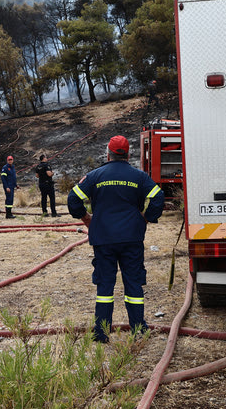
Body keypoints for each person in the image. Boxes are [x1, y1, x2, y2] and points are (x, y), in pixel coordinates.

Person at [67, 135, 165, 343]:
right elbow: (158, 197)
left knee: (105, 286)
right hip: (131, 238)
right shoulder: (139, 176)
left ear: (108, 154)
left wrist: (85, 218)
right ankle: (138, 329)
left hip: (103, 239)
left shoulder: (95, 175)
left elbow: (73, 198)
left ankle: (102, 332)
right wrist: (147, 218)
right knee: (134, 284)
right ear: (128, 154)